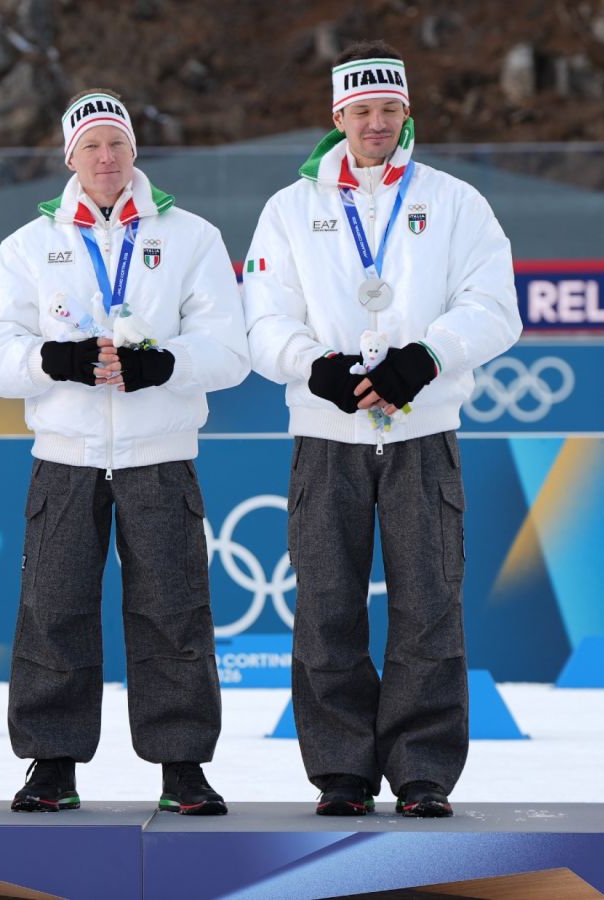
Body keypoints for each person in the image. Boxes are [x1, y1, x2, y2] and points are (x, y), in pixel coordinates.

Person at [241, 42, 521, 817]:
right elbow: (263, 320)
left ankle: (423, 771)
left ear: (407, 113)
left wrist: (426, 357)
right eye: (361, 110)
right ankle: (341, 771)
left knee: (429, 603)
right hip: (327, 434)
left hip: (421, 433)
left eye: (389, 109)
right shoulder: (289, 209)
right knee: (326, 604)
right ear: (338, 116)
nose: (376, 124)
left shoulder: (455, 201)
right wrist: (317, 368)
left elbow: (495, 307)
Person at [0, 90, 250, 816]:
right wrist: (55, 360)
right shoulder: (28, 246)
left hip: (160, 452)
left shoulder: (191, 237)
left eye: (117, 144)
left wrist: (164, 364)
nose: (106, 158)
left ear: (135, 151)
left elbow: (231, 350)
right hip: (66, 455)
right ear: (70, 157)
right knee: (53, 608)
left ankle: (183, 766)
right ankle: (52, 764)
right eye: (91, 146)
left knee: (174, 610)